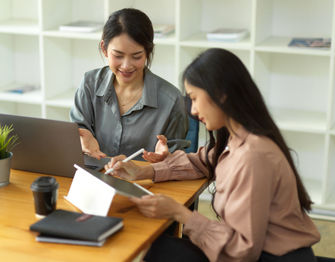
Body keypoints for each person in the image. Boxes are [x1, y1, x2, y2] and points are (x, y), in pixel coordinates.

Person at [105, 48, 321, 262]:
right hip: (260, 253)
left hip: (270, 257)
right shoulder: (237, 138)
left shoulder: (253, 156)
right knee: (163, 248)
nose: (193, 110)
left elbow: (243, 251)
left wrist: (180, 214)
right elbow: (202, 161)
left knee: (163, 252)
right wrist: (144, 170)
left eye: (195, 98)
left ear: (221, 95)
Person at [70, 8, 188, 160]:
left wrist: (166, 158)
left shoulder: (171, 100)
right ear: (104, 49)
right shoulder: (89, 83)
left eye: (136, 56)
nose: (126, 65)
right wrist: (82, 138)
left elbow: (177, 162)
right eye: (118, 55)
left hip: (144, 182)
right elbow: (78, 130)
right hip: (94, 178)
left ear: (148, 52)